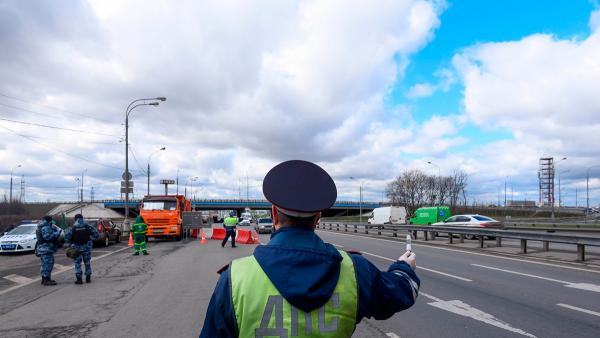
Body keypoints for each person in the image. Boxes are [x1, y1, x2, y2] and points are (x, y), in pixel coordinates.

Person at [200, 160, 420, 337]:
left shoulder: (234, 279)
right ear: (318, 218)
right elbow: (399, 293)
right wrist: (404, 268)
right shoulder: (354, 270)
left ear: (274, 215)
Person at [65, 214, 99, 284]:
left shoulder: (72, 228)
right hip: (87, 247)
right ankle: (88, 278)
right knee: (87, 263)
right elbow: (96, 235)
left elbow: (66, 238)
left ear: (75, 219)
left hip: (76, 248)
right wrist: (90, 240)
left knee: (77, 264)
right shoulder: (88, 226)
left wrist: (71, 243)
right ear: (82, 219)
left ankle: (79, 279)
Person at [37, 216, 61, 286]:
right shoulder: (46, 227)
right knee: (48, 264)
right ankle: (47, 280)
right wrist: (57, 233)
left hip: (42, 248)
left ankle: (44, 279)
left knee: (44, 264)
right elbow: (48, 237)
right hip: (46, 249)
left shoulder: (40, 226)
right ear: (49, 220)